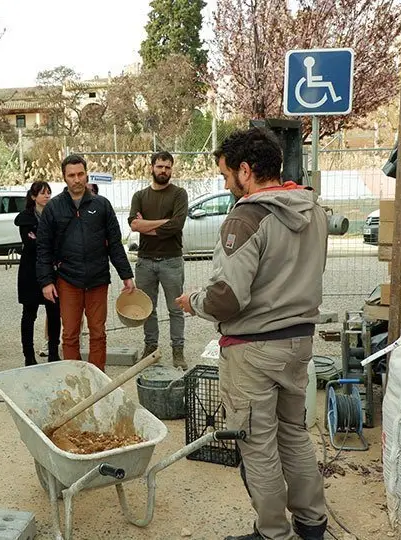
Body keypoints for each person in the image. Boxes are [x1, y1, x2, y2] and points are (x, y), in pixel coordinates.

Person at [175, 128, 329, 540]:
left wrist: (194, 302)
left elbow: (227, 298)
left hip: (252, 350)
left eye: (227, 175)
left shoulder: (246, 217)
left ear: (245, 170)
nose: (226, 186)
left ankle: (272, 532)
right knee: (293, 433)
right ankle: (312, 522)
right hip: (298, 344)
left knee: (256, 445)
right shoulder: (314, 211)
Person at [36, 155, 135, 371]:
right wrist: (45, 281)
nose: (76, 179)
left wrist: (126, 275)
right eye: (71, 175)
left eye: (80, 174)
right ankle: (74, 377)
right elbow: (43, 248)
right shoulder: (53, 209)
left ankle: (98, 378)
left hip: (98, 280)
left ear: (86, 175)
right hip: (68, 280)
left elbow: (115, 244)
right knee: (70, 334)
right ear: (64, 177)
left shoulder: (102, 205)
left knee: (98, 333)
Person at [128, 151, 189, 369]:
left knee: (176, 309)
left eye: (167, 167)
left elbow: (177, 225)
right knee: (148, 309)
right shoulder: (140, 196)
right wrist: (164, 223)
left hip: (171, 260)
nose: (163, 170)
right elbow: (134, 225)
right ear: (152, 167)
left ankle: (178, 351)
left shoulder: (179, 194)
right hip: (145, 261)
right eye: (160, 166)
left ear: (171, 169)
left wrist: (148, 226)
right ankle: (151, 347)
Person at [14, 181, 60, 366]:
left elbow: (57, 241)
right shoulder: (26, 217)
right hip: (29, 271)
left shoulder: (54, 214)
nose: (46, 196)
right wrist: (46, 241)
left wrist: (41, 239)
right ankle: (28, 355)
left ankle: (54, 352)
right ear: (33, 196)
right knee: (29, 313)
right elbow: (31, 243)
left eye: (48, 192)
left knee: (54, 313)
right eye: (42, 193)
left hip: (51, 269)